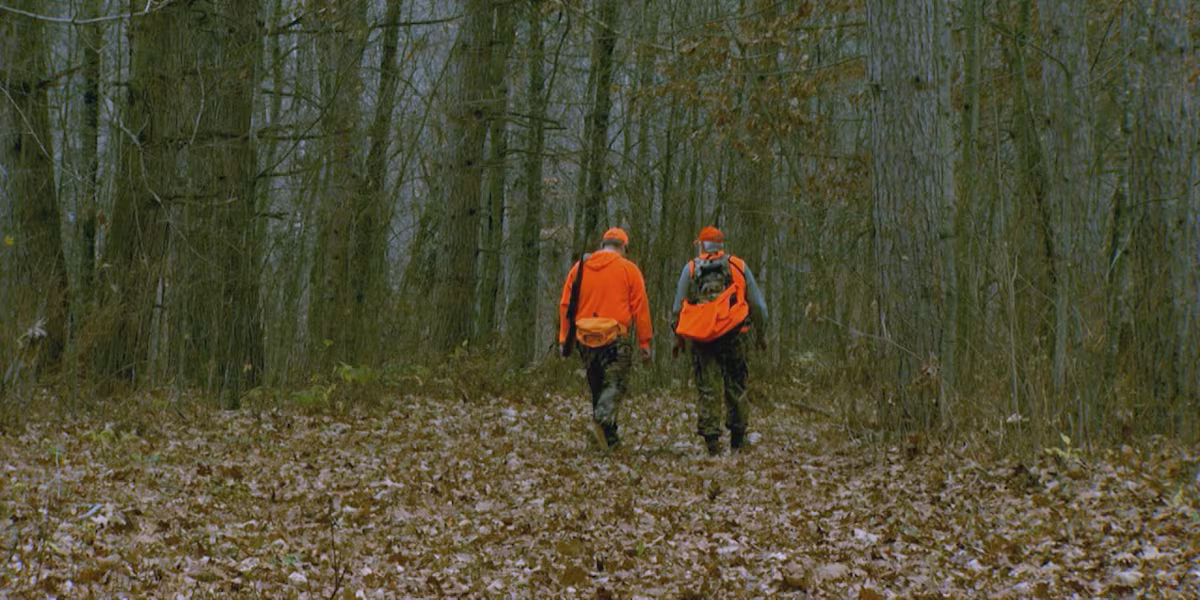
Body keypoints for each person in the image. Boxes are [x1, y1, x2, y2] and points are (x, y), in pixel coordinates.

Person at [670, 226, 768, 455]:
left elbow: (677, 308)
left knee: (707, 387)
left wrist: (678, 338)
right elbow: (758, 306)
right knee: (736, 384)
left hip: (702, 337)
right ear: (721, 245)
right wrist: (761, 334)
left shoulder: (691, 269)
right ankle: (737, 439)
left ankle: (712, 441)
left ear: (701, 245)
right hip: (735, 334)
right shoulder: (737, 266)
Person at [558, 227, 653, 449]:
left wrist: (564, 338)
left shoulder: (579, 268)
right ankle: (600, 423)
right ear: (623, 247)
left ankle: (609, 441)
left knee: (597, 387)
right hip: (614, 337)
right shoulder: (629, 269)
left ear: (603, 245)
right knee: (614, 384)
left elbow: (565, 305)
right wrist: (645, 342)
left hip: (584, 337)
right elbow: (640, 308)